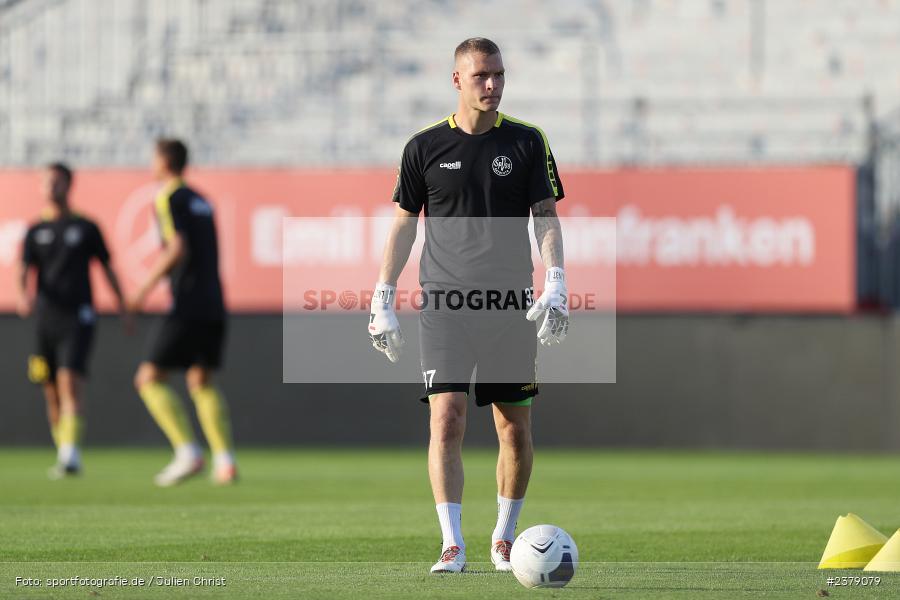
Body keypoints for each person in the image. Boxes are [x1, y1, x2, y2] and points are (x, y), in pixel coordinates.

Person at [368, 38, 568, 573]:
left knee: (513, 428)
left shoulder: (527, 142)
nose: (493, 85)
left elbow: (544, 214)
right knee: (447, 419)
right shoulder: (424, 147)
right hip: (444, 303)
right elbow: (404, 226)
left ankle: (503, 537)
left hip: (510, 305)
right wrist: (382, 295)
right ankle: (451, 543)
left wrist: (557, 277)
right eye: (482, 75)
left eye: (499, 74)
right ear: (457, 79)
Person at [129, 138, 237, 487]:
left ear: (163, 161)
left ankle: (187, 452)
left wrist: (144, 289)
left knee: (147, 379)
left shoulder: (169, 197)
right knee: (200, 380)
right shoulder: (202, 199)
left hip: (187, 303)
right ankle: (224, 461)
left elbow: (177, 246)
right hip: (214, 302)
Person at [16, 162, 128, 478]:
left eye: (57, 181)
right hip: (45, 321)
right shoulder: (35, 231)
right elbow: (22, 268)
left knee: (70, 382)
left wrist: (123, 306)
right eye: (46, 182)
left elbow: (107, 267)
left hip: (79, 317)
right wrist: (22, 294)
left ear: (69, 184)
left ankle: (71, 455)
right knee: (49, 388)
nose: (51, 187)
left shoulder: (87, 227)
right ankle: (63, 451)